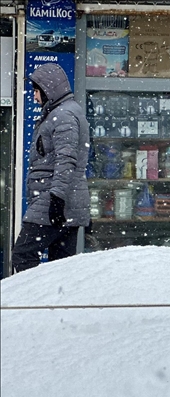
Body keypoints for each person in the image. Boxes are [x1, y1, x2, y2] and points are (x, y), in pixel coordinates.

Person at [11, 63, 90, 273]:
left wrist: (56, 198)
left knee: (23, 255)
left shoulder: (63, 115)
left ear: (49, 90)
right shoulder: (63, 113)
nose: (35, 97)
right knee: (60, 268)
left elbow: (67, 159)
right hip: (63, 200)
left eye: (37, 91)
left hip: (54, 199)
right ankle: (55, 304)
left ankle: (30, 303)